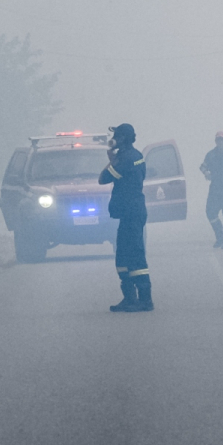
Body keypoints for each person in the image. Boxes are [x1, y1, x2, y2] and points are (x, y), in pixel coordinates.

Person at [98, 123, 153, 312]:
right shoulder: (136, 155)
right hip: (131, 212)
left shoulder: (126, 159)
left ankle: (145, 299)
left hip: (131, 212)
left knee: (135, 255)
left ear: (123, 138)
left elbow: (103, 178)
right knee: (122, 255)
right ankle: (129, 298)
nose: (113, 139)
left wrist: (111, 159)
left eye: (116, 136)